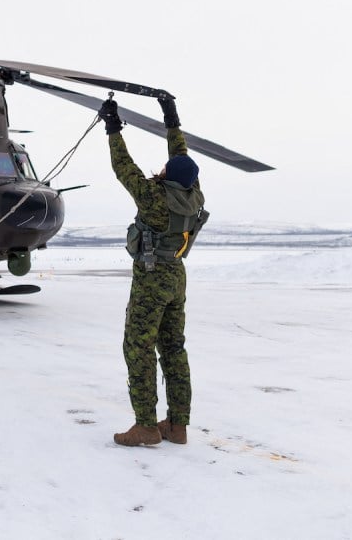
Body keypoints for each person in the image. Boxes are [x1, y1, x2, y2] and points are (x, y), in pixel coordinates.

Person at [97, 96, 207, 447]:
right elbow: (182, 159)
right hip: (176, 276)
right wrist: (172, 120)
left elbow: (123, 166)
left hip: (151, 278)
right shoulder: (194, 196)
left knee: (138, 348)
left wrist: (113, 128)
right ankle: (177, 425)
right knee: (174, 348)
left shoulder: (153, 198)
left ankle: (145, 425)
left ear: (167, 176)